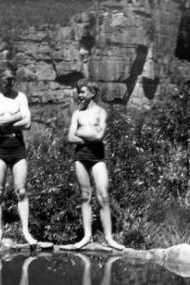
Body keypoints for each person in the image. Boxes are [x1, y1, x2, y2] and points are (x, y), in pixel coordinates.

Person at [0, 61, 51, 250]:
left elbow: (28, 123)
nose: (11, 82)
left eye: (13, 79)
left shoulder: (20, 97)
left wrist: (6, 122)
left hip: (17, 146)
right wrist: (16, 117)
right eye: (8, 79)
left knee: (21, 190)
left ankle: (26, 231)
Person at [65, 80, 125, 251]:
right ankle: (87, 236)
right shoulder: (77, 114)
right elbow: (70, 137)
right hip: (80, 157)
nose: (80, 95)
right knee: (85, 195)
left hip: (98, 158)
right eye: (79, 92)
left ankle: (109, 238)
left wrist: (81, 132)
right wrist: (90, 133)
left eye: (82, 92)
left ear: (92, 93)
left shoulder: (101, 112)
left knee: (103, 196)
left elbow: (100, 137)